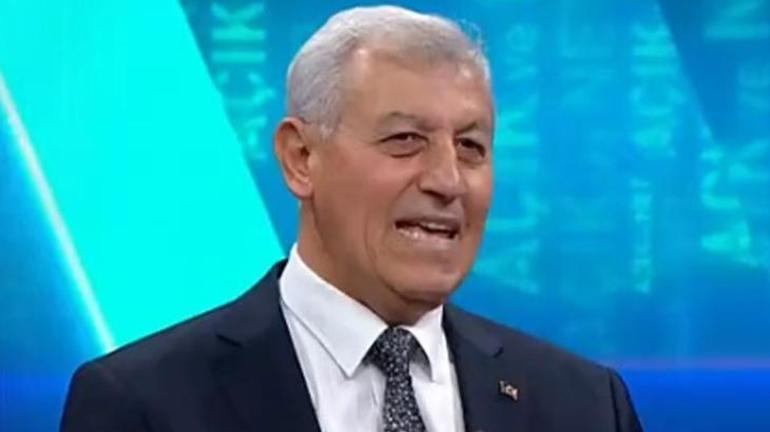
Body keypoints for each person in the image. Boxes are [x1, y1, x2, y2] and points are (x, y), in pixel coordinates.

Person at [60, 5, 643, 432]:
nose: (447, 181)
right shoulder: (142, 405)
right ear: (301, 158)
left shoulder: (586, 407)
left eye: (471, 147)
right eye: (405, 139)